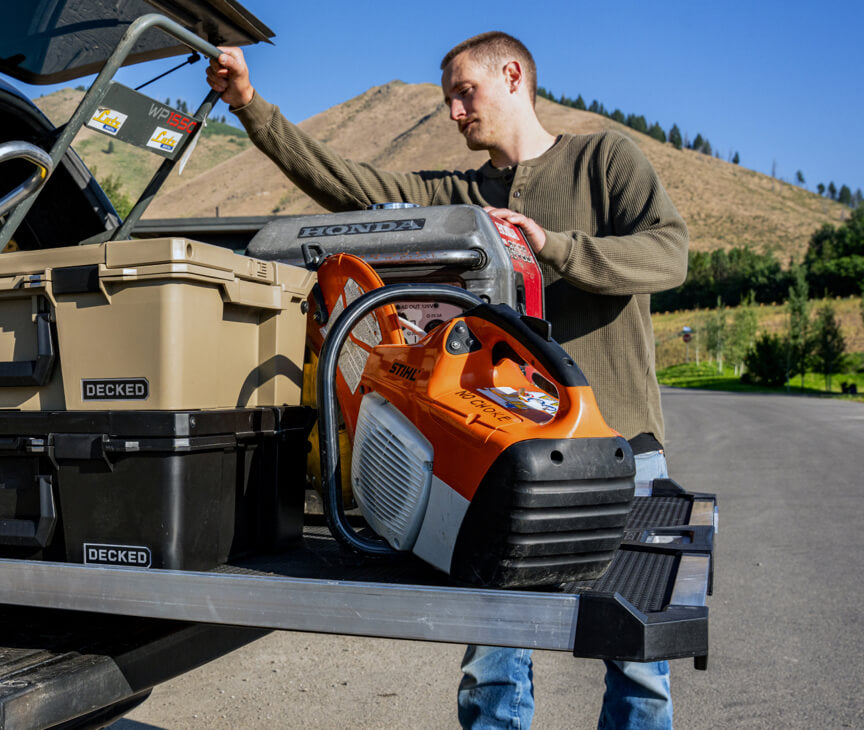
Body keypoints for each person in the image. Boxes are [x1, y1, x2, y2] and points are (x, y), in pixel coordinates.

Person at [208, 32, 689, 730]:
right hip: (498, 463)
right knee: (492, 670)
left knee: (639, 666)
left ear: (514, 74)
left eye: (465, 93)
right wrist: (250, 105)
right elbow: (349, 184)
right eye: (447, 101)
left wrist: (551, 247)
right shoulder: (457, 198)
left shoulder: (603, 160)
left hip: (620, 450)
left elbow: (669, 252)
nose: (455, 113)